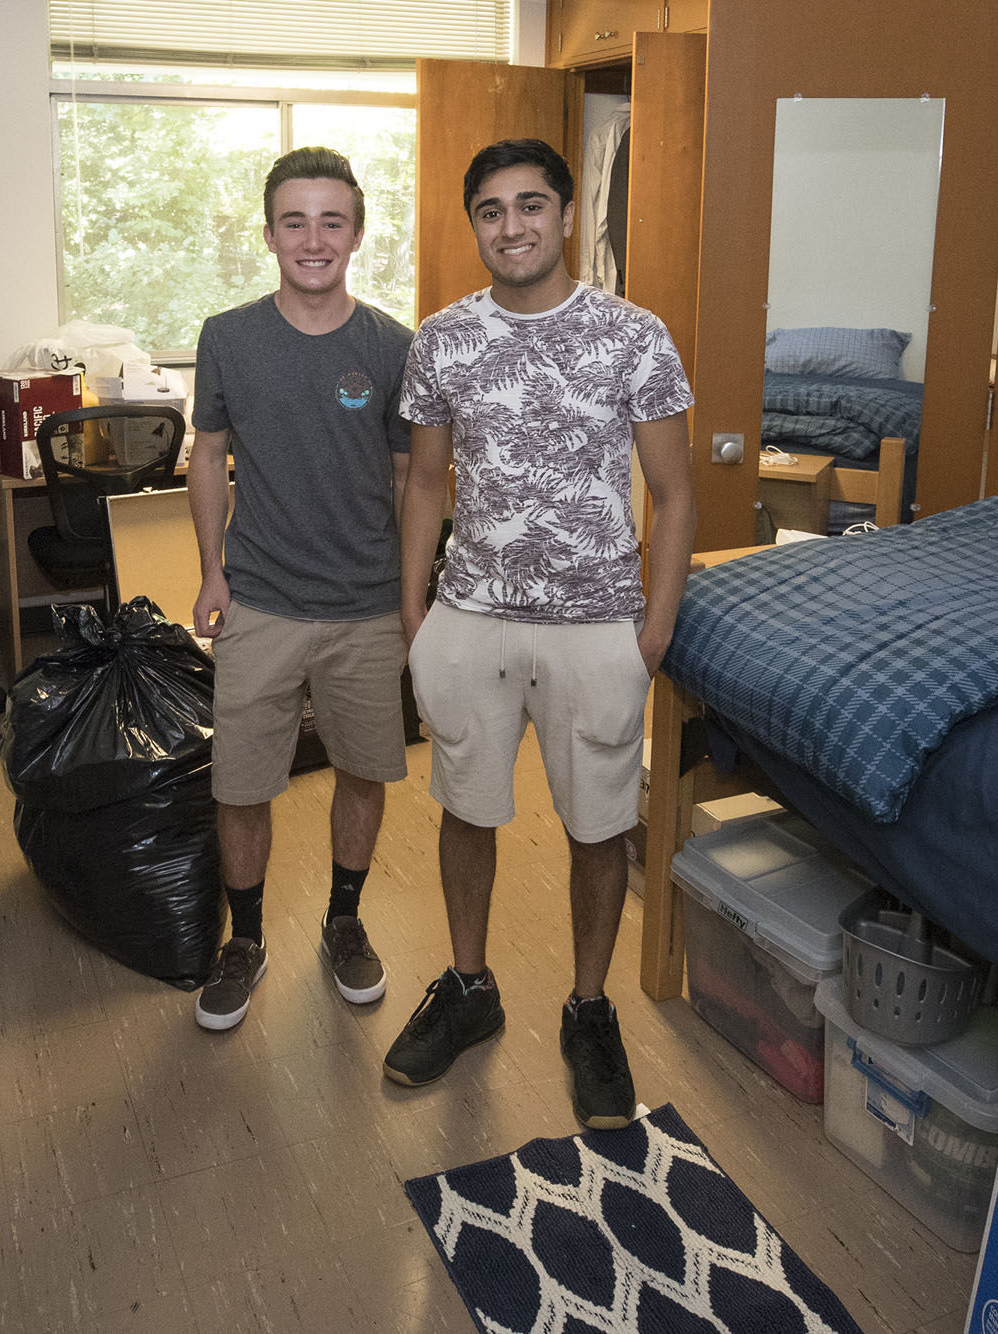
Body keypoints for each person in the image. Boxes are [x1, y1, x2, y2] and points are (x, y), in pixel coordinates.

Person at [386, 138, 697, 1128]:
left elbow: (675, 494)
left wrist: (651, 628)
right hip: (470, 615)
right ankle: (469, 988)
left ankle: (587, 1006)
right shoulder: (439, 338)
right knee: (465, 810)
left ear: (566, 215)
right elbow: (425, 482)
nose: (510, 225)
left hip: (594, 625)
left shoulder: (634, 336)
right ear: (471, 222)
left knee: (598, 826)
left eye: (529, 205)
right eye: (489, 209)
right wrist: (413, 611)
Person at [185, 146, 415, 1032]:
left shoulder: (394, 346)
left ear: (356, 232)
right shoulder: (228, 337)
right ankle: (245, 940)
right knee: (241, 786)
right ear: (271, 231)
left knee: (364, 771)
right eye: (295, 221)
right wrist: (212, 569)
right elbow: (209, 455)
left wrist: (410, 595)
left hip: (365, 608)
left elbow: (410, 482)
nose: (312, 239)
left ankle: (344, 920)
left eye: (331, 221)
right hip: (261, 600)